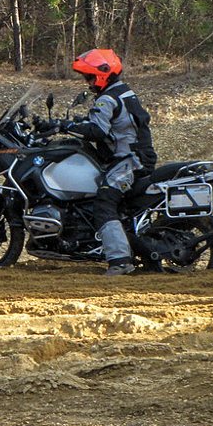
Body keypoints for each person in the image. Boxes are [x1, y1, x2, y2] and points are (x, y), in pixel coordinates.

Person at [59, 48, 157, 276]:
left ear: (103, 73)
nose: (89, 83)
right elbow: (111, 122)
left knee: (104, 202)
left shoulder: (107, 98)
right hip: (135, 157)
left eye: (90, 77)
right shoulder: (122, 92)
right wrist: (77, 121)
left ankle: (120, 261)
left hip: (130, 161)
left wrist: (66, 126)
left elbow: (97, 130)